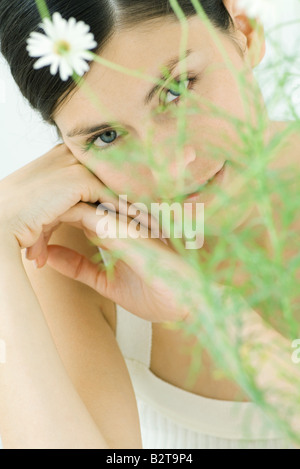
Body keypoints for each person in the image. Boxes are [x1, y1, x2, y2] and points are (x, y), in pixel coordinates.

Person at [0, 0, 299, 449]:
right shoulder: (75, 257)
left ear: (244, 34)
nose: (170, 167)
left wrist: (209, 310)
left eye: (177, 90)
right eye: (106, 137)